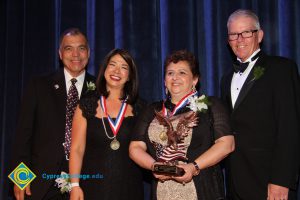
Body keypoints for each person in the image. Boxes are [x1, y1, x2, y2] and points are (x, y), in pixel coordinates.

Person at [129, 50, 235, 200]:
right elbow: (135, 148)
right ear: (165, 81)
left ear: (195, 79)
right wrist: (154, 166)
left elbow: (226, 144)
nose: (175, 77)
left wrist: (194, 167)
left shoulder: (211, 105)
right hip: (161, 192)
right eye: (170, 73)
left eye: (182, 73)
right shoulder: (151, 110)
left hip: (203, 188)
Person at [221, 9, 300, 200]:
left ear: (260, 35)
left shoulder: (281, 69)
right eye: (233, 34)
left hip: (269, 183)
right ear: (228, 39)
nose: (239, 39)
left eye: (246, 32)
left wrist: (282, 180)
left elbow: (290, 128)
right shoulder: (226, 78)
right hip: (234, 183)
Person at [10, 28, 95, 200]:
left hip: (87, 183)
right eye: (68, 48)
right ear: (60, 53)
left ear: (89, 52)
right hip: (41, 184)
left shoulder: (100, 90)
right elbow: (22, 136)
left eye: (81, 48)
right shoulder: (38, 86)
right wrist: (20, 178)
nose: (76, 54)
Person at [69, 48, 144, 200]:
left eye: (124, 67)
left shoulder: (141, 108)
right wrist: (75, 185)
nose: (117, 71)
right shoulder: (86, 105)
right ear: (104, 69)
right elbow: (76, 149)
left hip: (129, 188)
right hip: (92, 188)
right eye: (112, 64)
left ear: (129, 76)